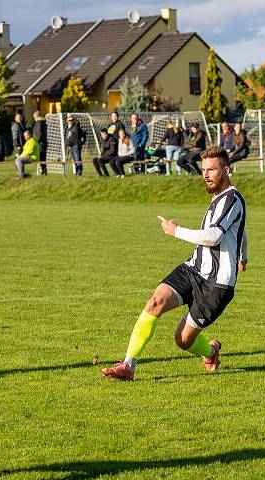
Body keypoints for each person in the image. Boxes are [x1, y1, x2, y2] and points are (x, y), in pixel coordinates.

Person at [102, 146, 247, 382]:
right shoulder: (218, 198)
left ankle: (211, 352)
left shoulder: (232, 198)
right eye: (204, 170)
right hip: (193, 268)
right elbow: (241, 230)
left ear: (226, 169)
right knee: (154, 302)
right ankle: (128, 365)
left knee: (183, 340)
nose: (206, 175)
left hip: (216, 284)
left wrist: (176, 231)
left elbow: (213, 236)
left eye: (212, 169)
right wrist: (244, 254)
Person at [32, 110, 48, 175]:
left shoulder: (39, 123)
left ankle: (43, 170)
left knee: (41, 156)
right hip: (43, 142)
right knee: (43, 156)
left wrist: (36, 141)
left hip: (40, 143)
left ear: (36, 116)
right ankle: (43, 169)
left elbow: (39, 134)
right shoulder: (43, 122)